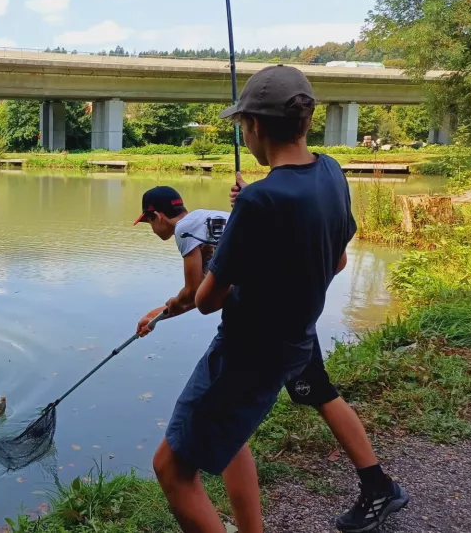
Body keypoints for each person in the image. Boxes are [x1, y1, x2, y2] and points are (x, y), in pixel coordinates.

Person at [134, 64, 408, 533]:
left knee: (172, 469)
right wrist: (254, 219)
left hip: (246, 353)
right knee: (232, 436)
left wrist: (247, 222)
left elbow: (207, 300)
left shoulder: (259, 203)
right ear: (306, 121)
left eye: (243, 127)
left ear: (255, 127)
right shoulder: (330, 172)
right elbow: (336, 263)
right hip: (295, 341)